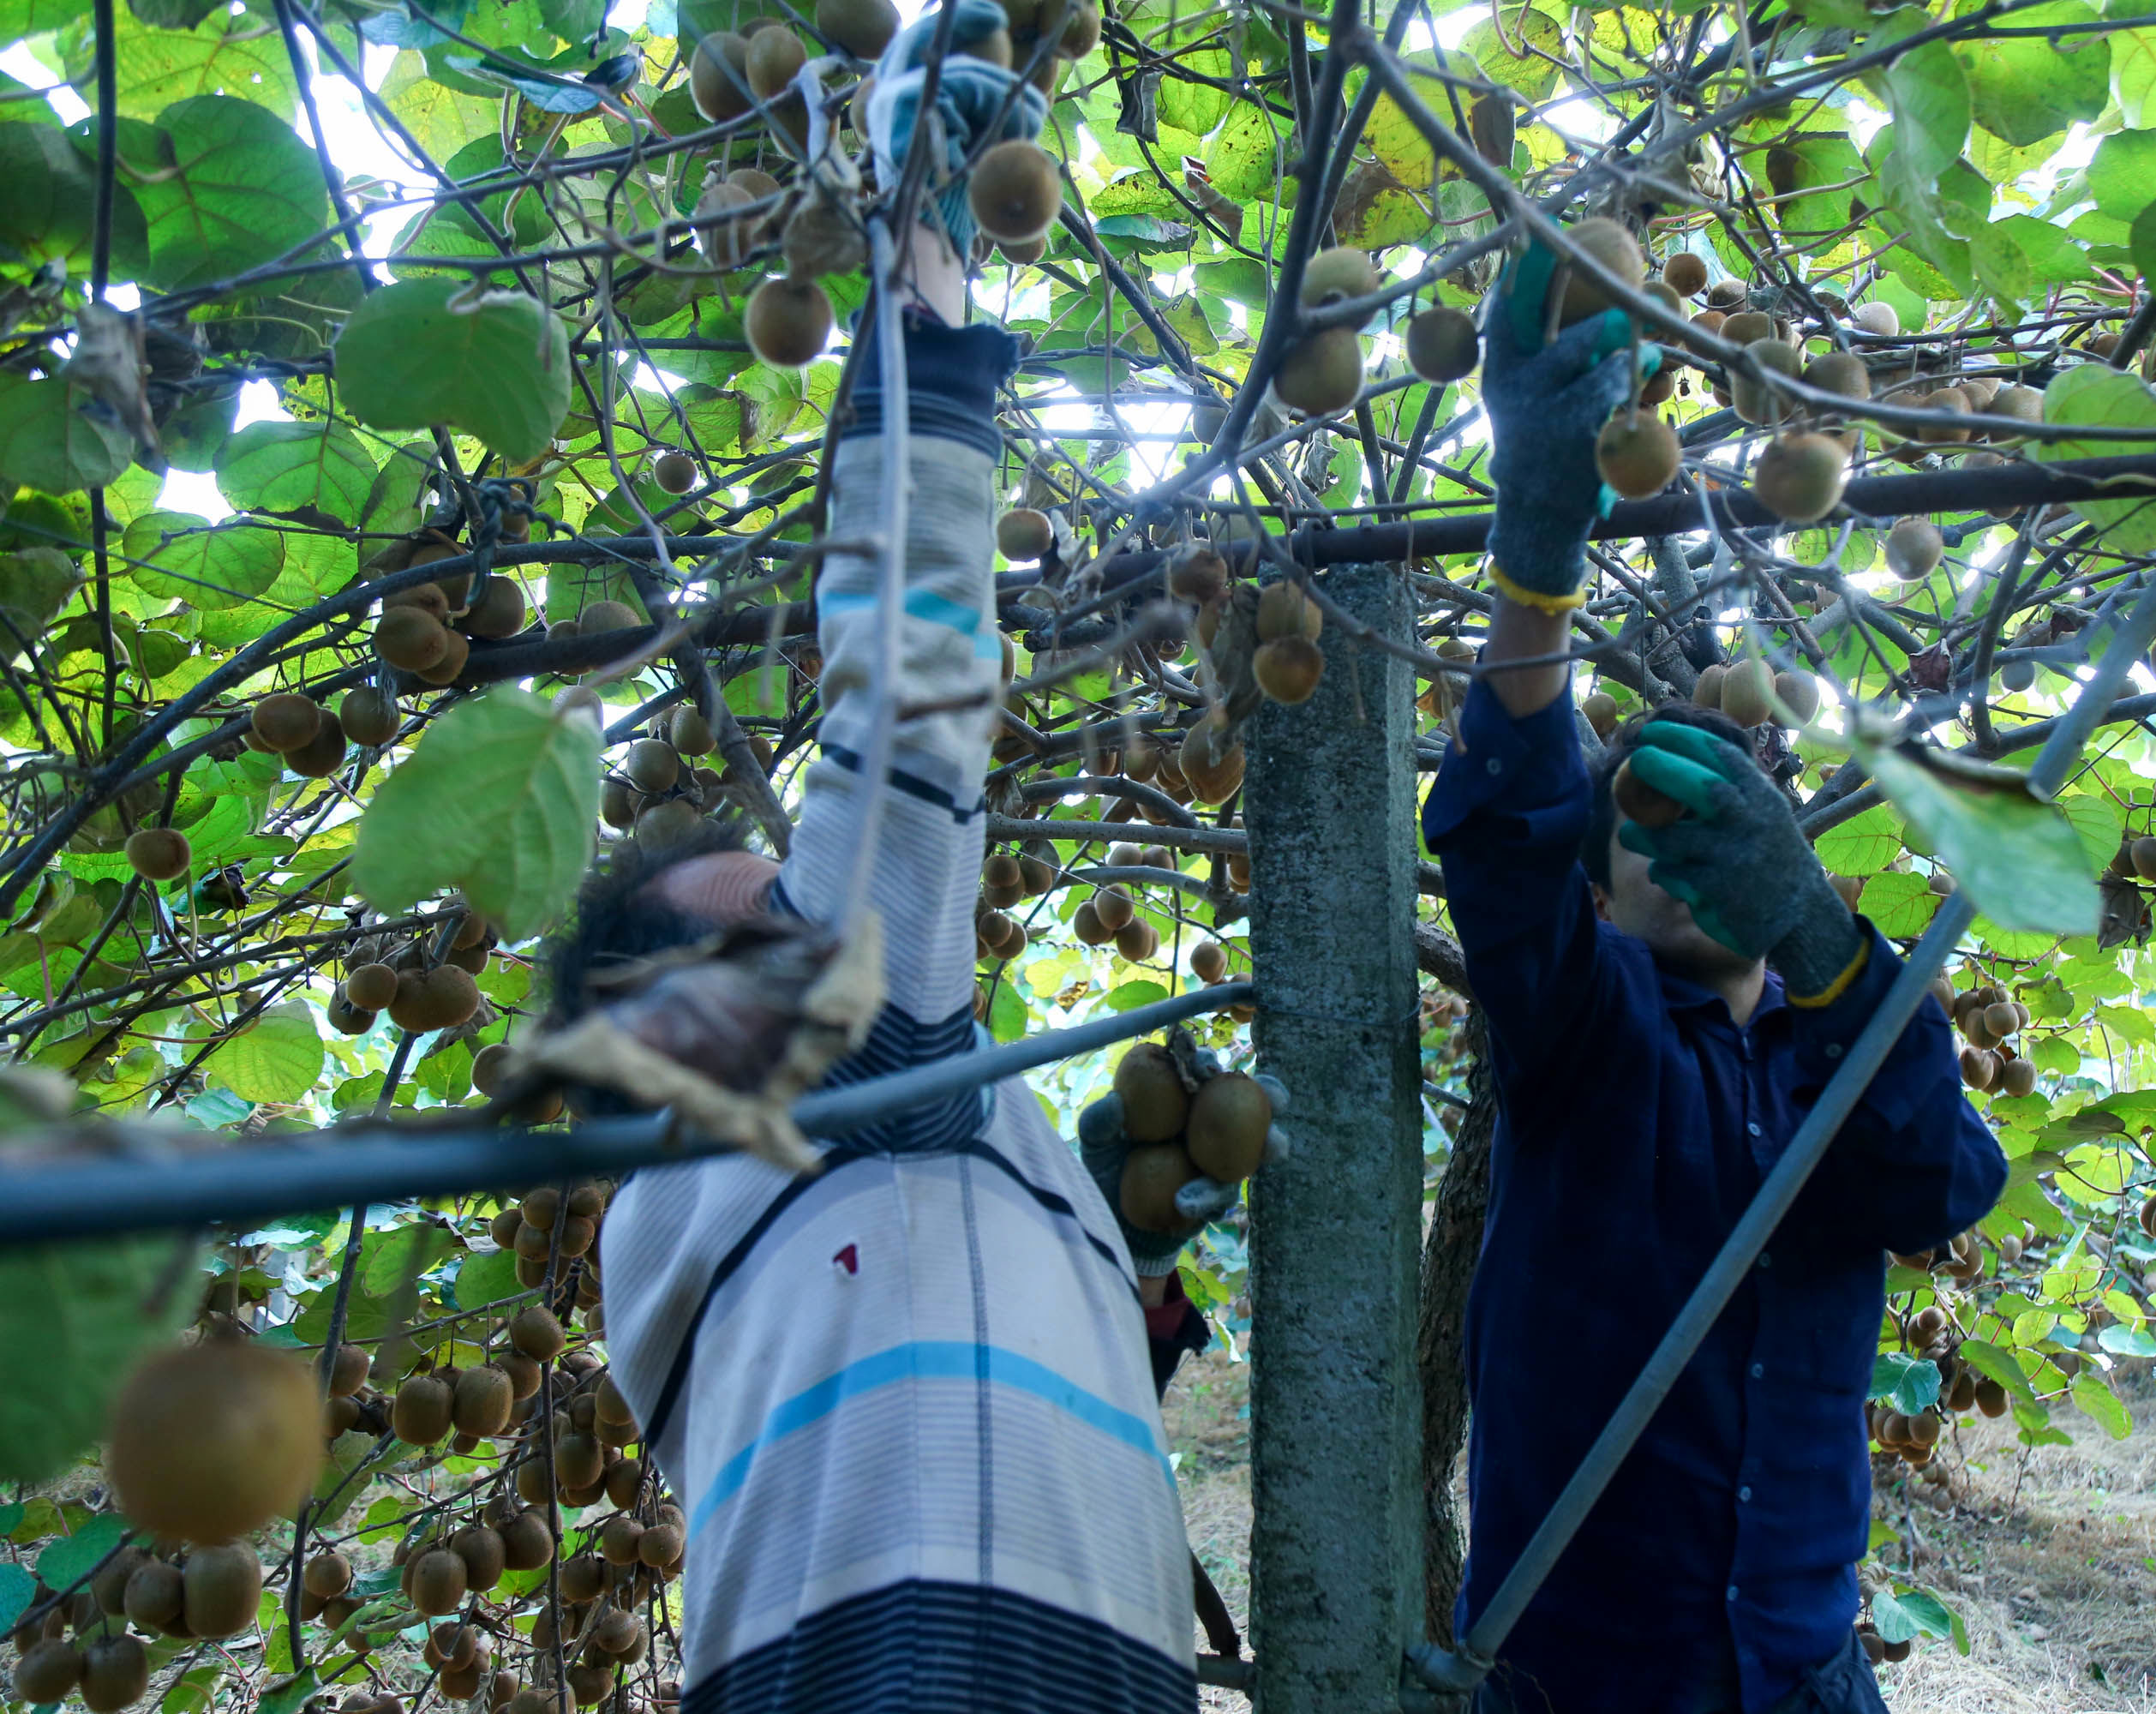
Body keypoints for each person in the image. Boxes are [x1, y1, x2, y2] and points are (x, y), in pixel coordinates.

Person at [547, 8, 1252, 1708]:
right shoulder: (769, 1124)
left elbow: (997, 1380)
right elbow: (913, 718)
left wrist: (1125, 1257)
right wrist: (918, 268)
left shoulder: (851, 1154)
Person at [1421, 237, 2009, 1714]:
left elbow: (1939, 1183)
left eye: (1721, 827)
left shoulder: (1838, 1052)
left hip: (1804, 1677)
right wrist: (1536, 566)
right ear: (1597, 899)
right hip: (1584, 1686)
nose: (1683, 851)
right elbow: (1504, 842)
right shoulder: (1587, 1036)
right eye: (1644, 828)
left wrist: (1818, 932)